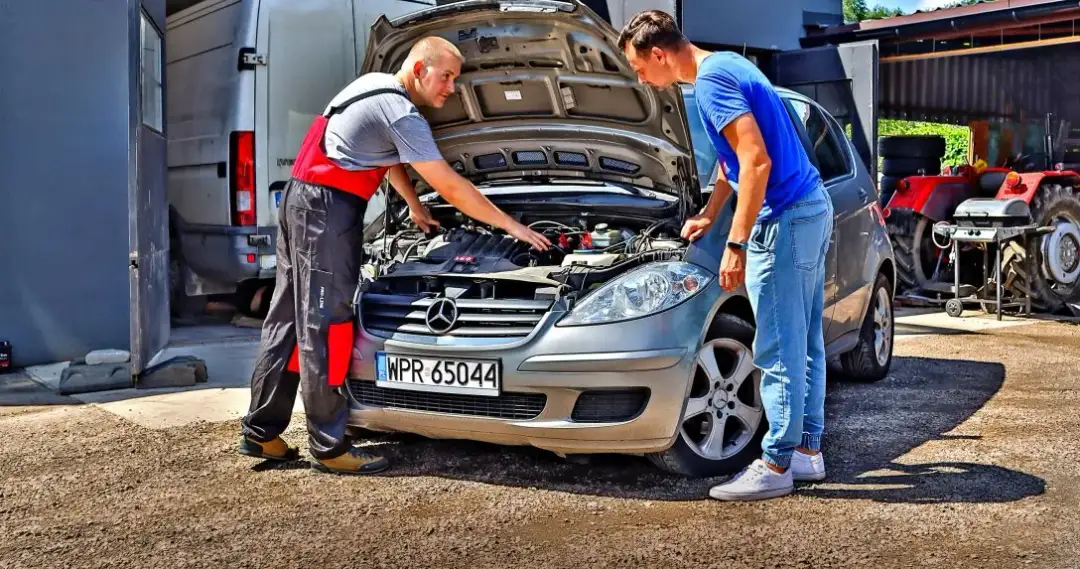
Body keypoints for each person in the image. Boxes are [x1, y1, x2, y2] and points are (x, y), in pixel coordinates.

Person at [238, 36, 551, 475]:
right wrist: (512, 227)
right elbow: (452, 186)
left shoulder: (376, 86)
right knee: (326, 324)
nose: (451, 88)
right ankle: (328, 446)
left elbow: (387, 158)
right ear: (420, 69)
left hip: (301, 200)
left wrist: (415, 206)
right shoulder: (404, 113)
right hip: (328, 209)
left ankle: (262, 433)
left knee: (288, 318)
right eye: (447, 77)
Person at [618, 11, 834, 501]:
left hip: (783, 218)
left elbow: (757, 162)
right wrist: (710, 215)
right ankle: (807, 452)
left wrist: (734, 244)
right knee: (805, 340)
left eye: (638, 68)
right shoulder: (726, 65)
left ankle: (776, 463)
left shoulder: (712, 82)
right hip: (808, 208)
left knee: (778, 347)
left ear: (658, 54)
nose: (640, 79)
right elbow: (731, 162)